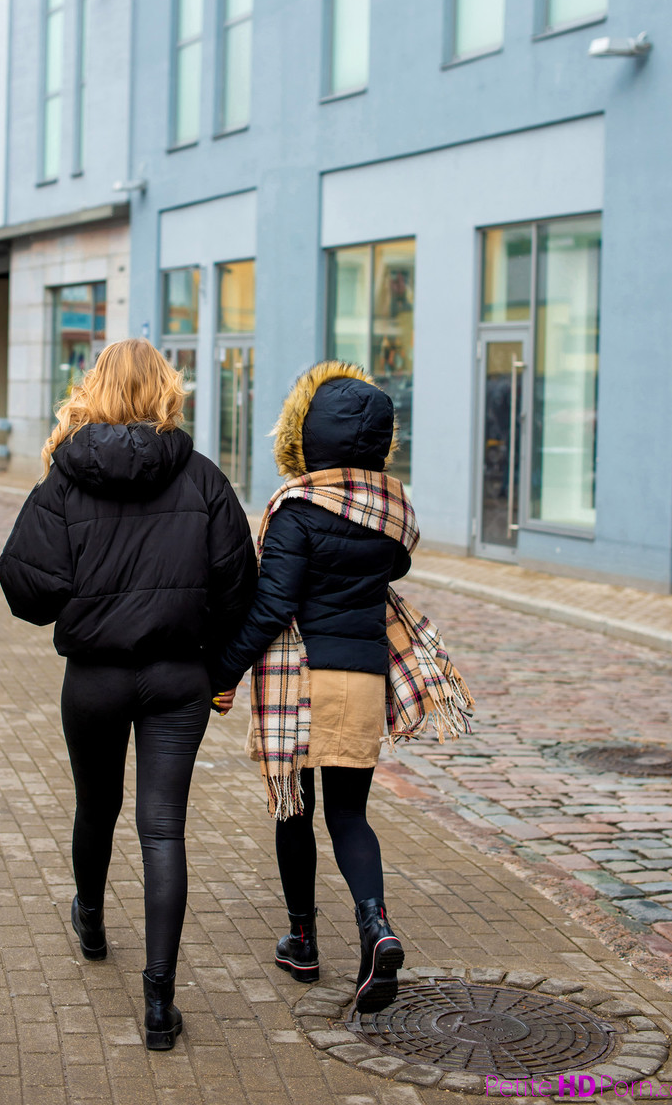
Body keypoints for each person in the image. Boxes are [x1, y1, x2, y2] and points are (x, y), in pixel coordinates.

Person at [0, 338, 256, 1050]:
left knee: (96, 807)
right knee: (162, 827)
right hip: (180, 678)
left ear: (96, 388)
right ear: (167, 390)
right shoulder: (202, 478)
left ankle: (89, 916)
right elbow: (240, 590)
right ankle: (159, 1004)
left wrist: (83, 588)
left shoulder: (65, 479)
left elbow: (26, 588)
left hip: (95, 679)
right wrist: (220, 668)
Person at [213, 360, 472, 1013]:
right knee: (350, 815)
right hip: (361, 679)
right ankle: (376, 930)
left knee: (293, 808)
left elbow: (272, 607)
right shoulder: (391, 510)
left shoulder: (297, 510)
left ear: (310, 436)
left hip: (299, 682)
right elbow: (397, 564)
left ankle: (302, 940)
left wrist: (222, 673)